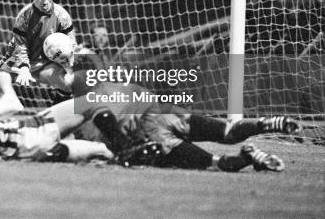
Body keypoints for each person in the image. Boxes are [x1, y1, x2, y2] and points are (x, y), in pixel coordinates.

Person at [63, 77, 301, 172]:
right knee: (227, 132)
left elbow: (103, 139)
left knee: (215, 163)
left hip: (150, 131)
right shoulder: (110, 83)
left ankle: (248, 157)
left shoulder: (86, 110)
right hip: (164, 110)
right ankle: (263, 125)